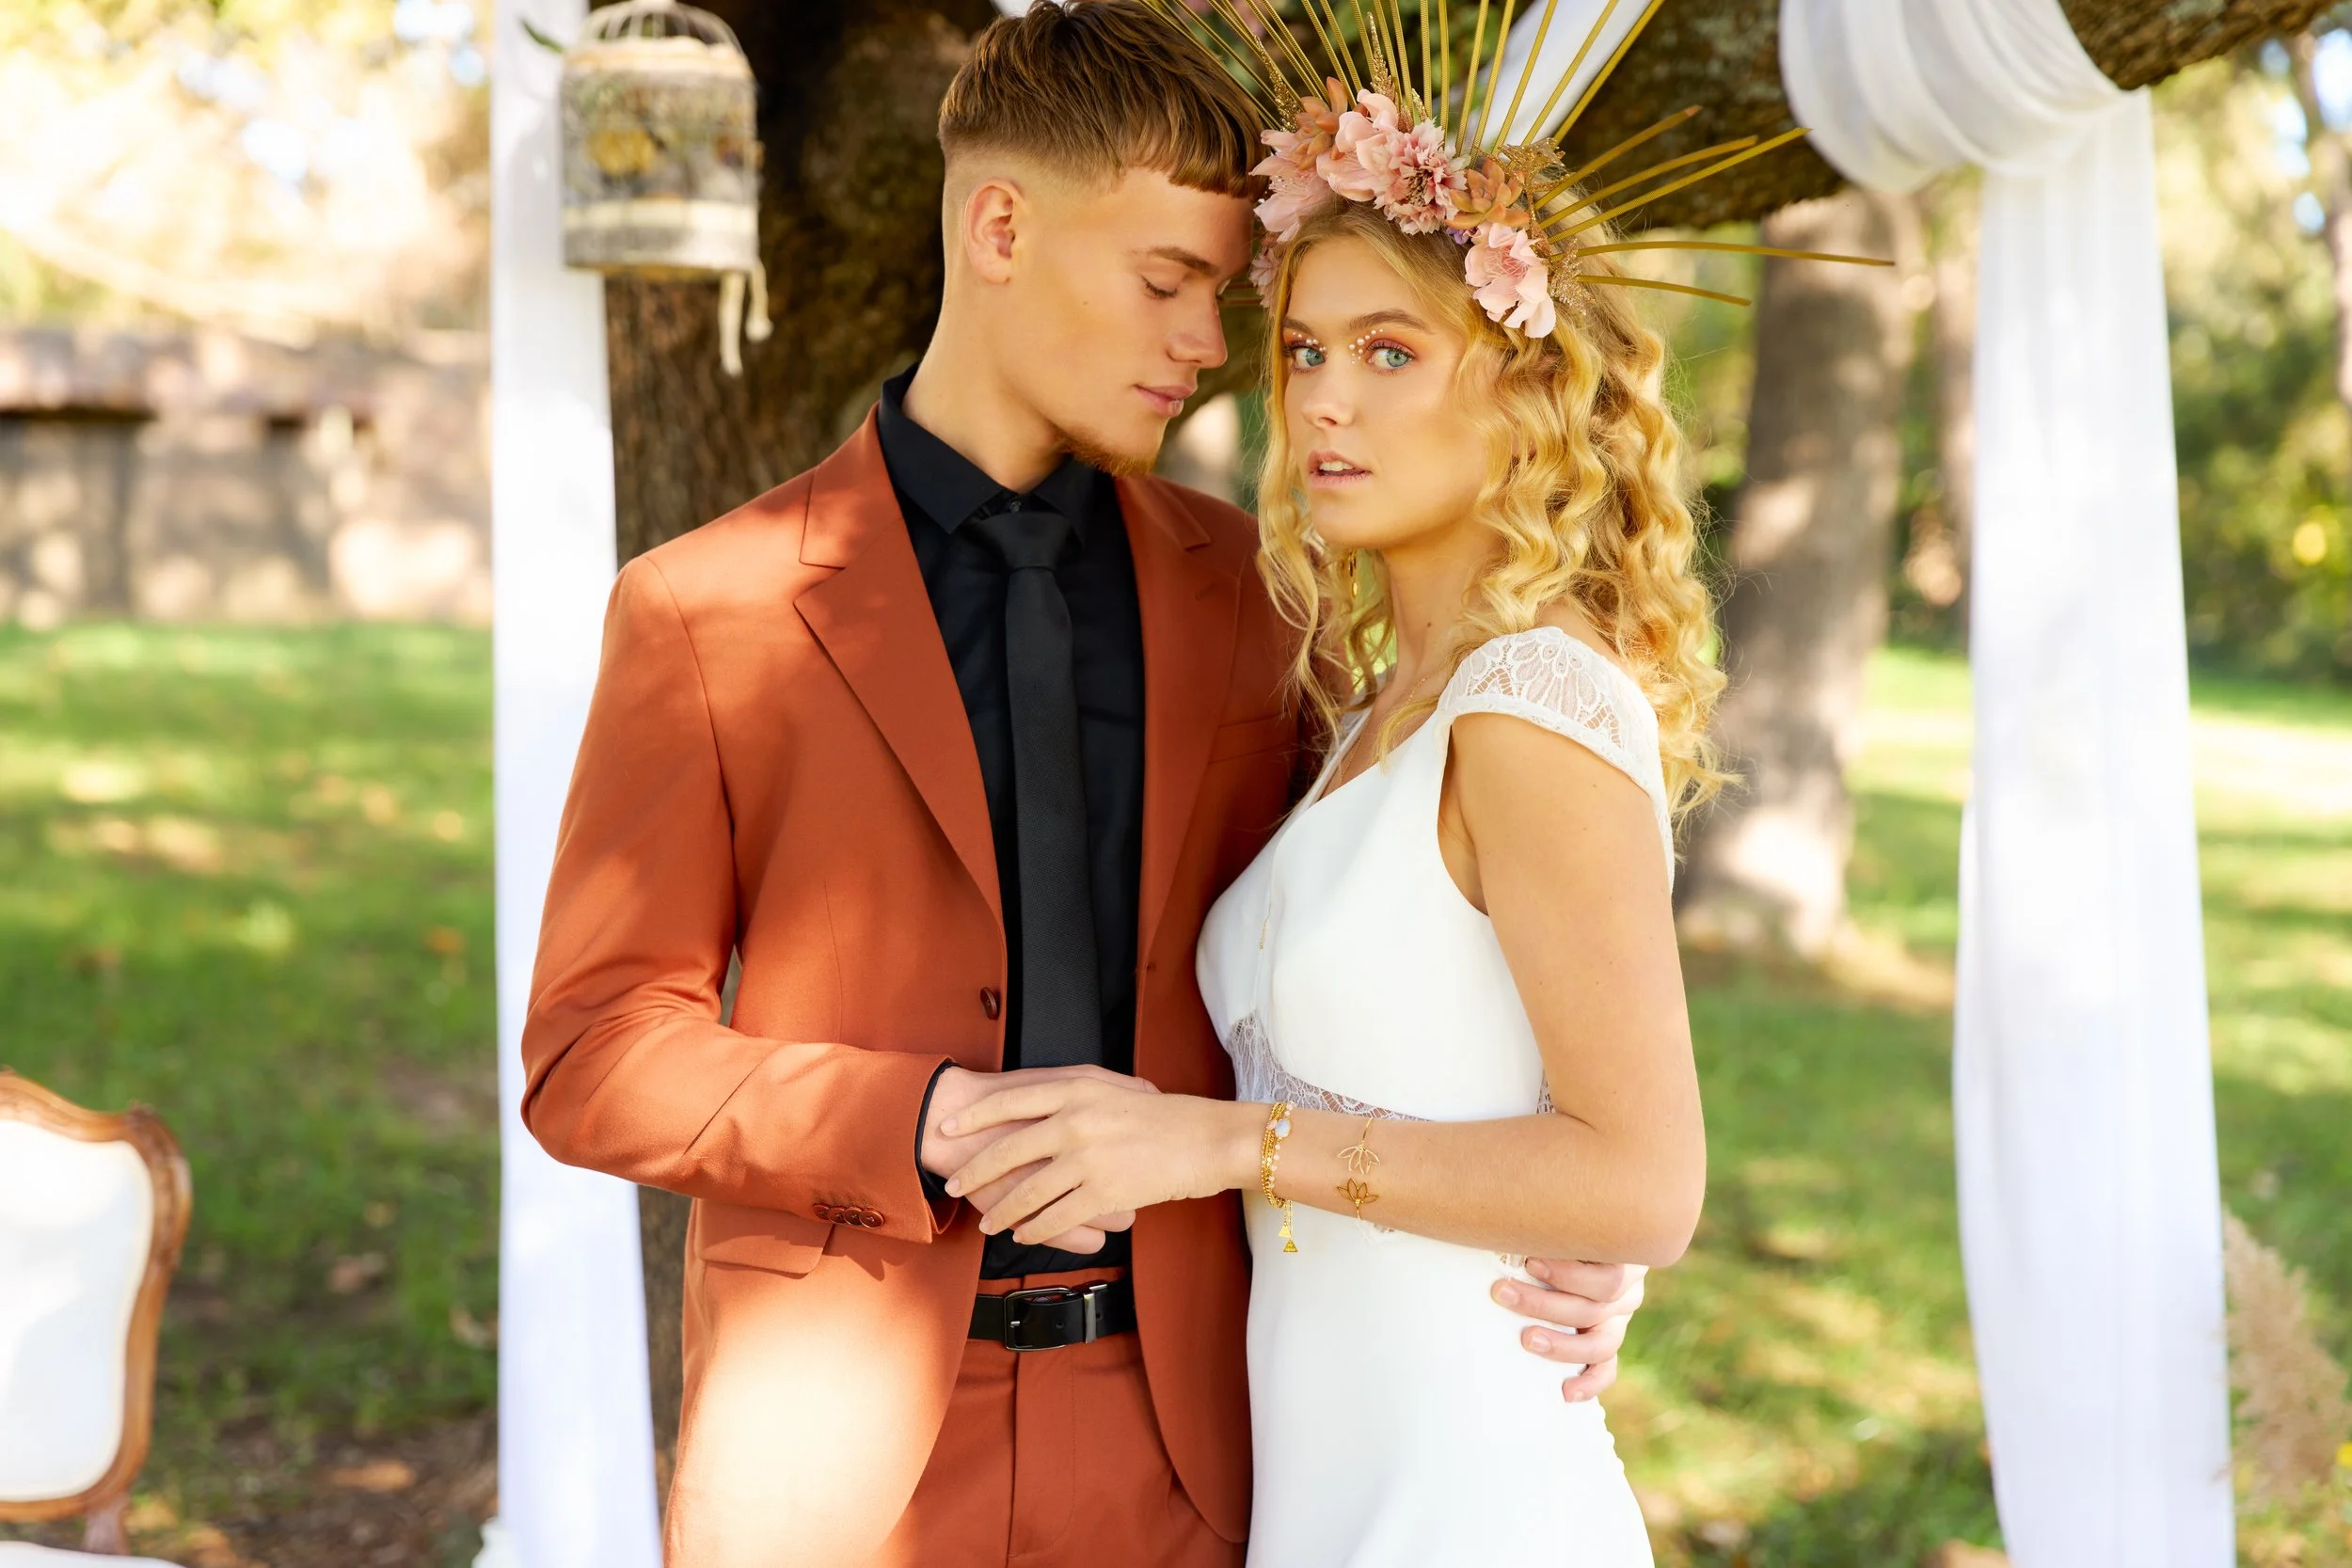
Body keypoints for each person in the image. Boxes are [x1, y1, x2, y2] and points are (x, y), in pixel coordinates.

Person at [518, 6, 1646, 1566]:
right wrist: (924, 1116)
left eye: (1220, 300)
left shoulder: (1259, 600)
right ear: (1000, 228)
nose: (1206, 347)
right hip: (839, 1454)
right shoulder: (705, 611)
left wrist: (1568, 1220)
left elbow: (1398, 944)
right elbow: (591, 1054)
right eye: (1165, 283)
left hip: (1198, 1449)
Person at [935, 8, 1763, 1559]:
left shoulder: (1532, 701)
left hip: (1471, 1498)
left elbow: (1645, 1177)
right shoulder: (1373, 710)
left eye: (1390, 351)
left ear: (1525, 385)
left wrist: (1220, 1141)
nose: (1323, 398)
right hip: (1324, 1493)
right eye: (1306, 350)